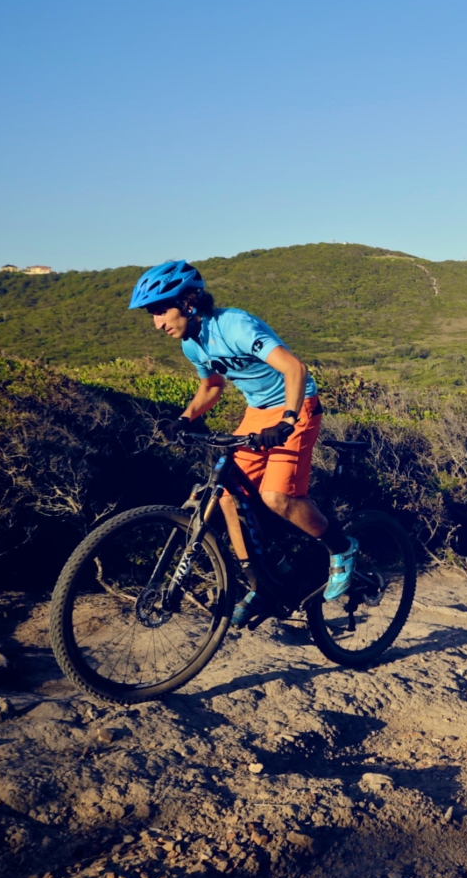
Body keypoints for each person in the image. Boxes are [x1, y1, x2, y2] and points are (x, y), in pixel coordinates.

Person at [127, 259, 355, 617]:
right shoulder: (192, 344)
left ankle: (341, 546)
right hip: (258, 410)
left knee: (276, 497)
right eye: (151, 315)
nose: (157, 323)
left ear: (187, 301)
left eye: (160, 311)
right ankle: (261, 584)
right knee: (227, 493)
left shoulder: (234, 325)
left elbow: (295, 368)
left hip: (296, 403)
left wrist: (288, 420)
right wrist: (184, 419)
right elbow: (212, 387)